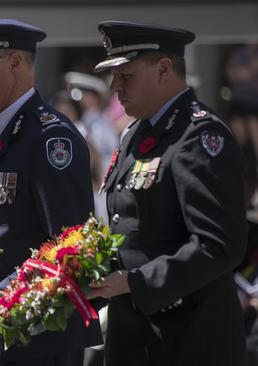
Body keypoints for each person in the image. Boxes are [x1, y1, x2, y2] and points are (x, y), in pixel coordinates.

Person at [87, 21, 247, 365]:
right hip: (136, 337)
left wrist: (135, 281)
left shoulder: (198, 135)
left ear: (163, 69)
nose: (115, 86)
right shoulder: (136, 133)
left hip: (186, 339)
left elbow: (219, 244)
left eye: (125, 75)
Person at [0, 18, 102, 366]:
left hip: (43, 337)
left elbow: (69, 246)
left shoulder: (50, 138)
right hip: (9, 332)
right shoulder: (0, 131)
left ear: (16, 63)